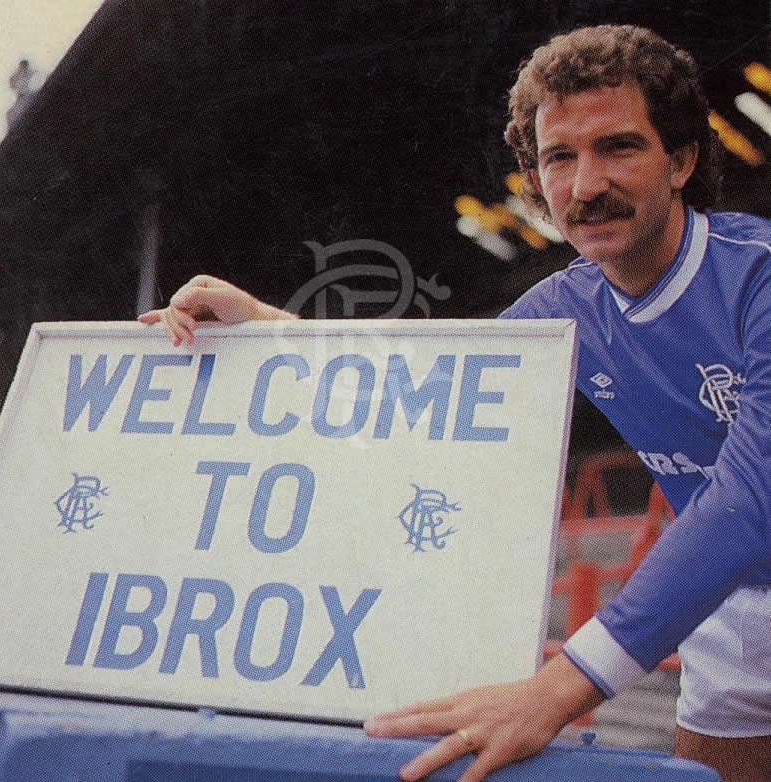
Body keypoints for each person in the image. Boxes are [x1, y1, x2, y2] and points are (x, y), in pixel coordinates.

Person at [139, 24, 771, 782]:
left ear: (683, 161)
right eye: (559, 158)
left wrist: (556, 689)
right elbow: (428, 392)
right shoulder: (562, 307)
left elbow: (751, 498)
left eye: (619, 147)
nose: (585, 184)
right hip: (729, 608)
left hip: (730, 550)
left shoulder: (757, 277)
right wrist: (268, 328)